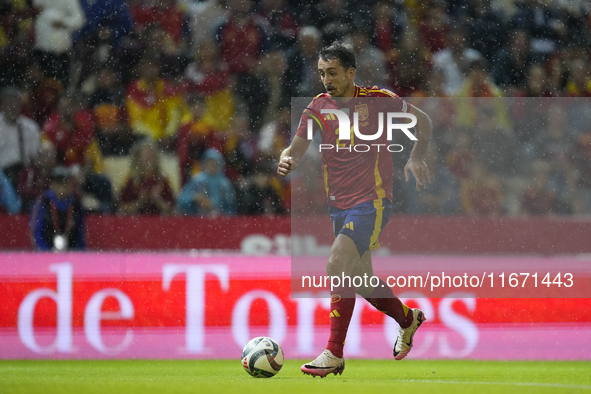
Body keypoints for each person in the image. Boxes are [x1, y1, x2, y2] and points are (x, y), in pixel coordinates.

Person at [277, 41, 432, 377]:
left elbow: (424, 123)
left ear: (350, 72)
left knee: (336, 263)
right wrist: (287, 158)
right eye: (321, 73)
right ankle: (408, 319)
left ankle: (334, 352)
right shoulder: (319, 106)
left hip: (373, 202)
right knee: (360, 279)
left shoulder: (378, 100)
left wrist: (416, 157)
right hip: (339, 207)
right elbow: (298, 145)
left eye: (332, 73)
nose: (326, 79)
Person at [30, 166, 85, 251]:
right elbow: (35, 231)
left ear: (70, 184)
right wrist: (45, 252)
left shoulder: (76, 204)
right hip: (46, 252)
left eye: (65, 182)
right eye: (58, 183)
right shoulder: (43, 201)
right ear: (52, 184)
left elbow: (80, 234)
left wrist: (77, 253)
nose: (62, 186)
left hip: (71, 252)